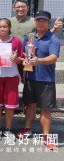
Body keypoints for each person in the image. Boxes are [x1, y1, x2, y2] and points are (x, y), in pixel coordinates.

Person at [17, 11, 60, 150]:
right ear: (35, 22)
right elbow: (25, 54)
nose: (40, 23)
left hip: (45, 80)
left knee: (45, 109)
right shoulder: (30, 37)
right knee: (30, 105)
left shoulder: (53, 38)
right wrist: (25, 59)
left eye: (44, 21)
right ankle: (27, 129)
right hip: (30, 78)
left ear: (49, 23)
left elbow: (53, 57)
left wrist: (39, 61)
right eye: (38, 20)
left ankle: (46, 136)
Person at [0, 18, 23, 141]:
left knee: (10, 105)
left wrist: (16, 59)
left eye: (5, 27)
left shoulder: (16, 41)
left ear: (10, 28)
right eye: (0, 27)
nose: (2, 29)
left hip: (11, 76)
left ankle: (8, 129)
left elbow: (21, 59)